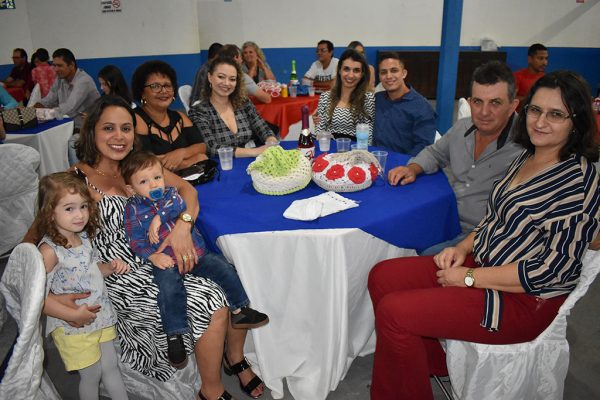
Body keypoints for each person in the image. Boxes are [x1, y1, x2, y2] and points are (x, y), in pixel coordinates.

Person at [368, 70, 600, 400]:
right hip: (486, 261)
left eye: (556, 114)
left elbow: (552, 272)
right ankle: (433, 364)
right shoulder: (530, 155)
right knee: (382, 276)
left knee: (395, 313)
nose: (540, 122)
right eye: (536, 110)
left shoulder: (576, 183)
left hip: (521, 300)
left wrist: (469, 278)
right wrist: (463, 248)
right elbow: (494, 218)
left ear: (576, 122)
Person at [26, 95, 265, 399]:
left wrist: (183, 225)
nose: (119, 136)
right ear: (91, 131)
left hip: (164, 252)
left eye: (126, 128)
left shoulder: (138, 166)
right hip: (120, 272)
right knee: (210, 299)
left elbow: (187, 190)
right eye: (108, 128)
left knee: (228, 271)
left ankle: (235, 358)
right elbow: (31, 244)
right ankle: (212, 390)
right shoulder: (74, 179)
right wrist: (48, 299)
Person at [121, 151, 269, 367]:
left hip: (195, 253)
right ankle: (175, 335)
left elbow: (178, 205)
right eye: (144, 182)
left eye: (157, 177)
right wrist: (152, 256)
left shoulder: (171, 195)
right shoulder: (132, 210)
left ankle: (240, 309)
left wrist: (158, 218)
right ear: (131, 189)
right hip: (166, 261)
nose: (153, 185)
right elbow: (135, 241)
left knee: (223, 267)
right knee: (169, 291)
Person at [388, 61, 523, 255]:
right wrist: (412, 168)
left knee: (413, 256)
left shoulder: (526, 147)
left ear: (512, 106)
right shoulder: (462, 127)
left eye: (495, 103)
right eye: (477, 102)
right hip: (445, 217)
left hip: (484, 237)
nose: (484, 112)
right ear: (469, 102)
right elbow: (435, 153)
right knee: (393, 234)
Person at [36, 172, 129, 400]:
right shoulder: (49, 251)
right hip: (73, 327)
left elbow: (90, 271)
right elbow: (37, 298)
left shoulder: (84, 237)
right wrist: (73, 315)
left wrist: (109, 267)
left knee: (111, 366)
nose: (80, 215)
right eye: (69, 208)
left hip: (100, 316)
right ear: (50, 212)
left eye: (83, 206)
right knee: (91, 375)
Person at [189, 56, 277, 158]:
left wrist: (271, 141)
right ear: (210, 77)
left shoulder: (243, 103)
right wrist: (254, 152)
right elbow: (211, 148)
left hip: (249, 162)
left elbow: (262, 127)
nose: (227, 83)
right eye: (221, 77)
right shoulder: (199, 111)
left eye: (232, 79)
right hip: (221, 165)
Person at [131, 60, 208, 172]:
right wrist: (190, 161)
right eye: (155, 86)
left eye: (167, 85)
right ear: (142, 93)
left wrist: (181, 153)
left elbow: (201, 147)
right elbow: (145, 162)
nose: (163, 91)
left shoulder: (180, 117)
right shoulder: (137, 119)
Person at [35, 48, 100, 165]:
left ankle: (76, 173)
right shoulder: (60, 79)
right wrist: (34, 108)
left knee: (71, 142)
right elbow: (49, 99)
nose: (56, 69)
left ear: (71, 65)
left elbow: (69, 108)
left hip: (87, 128)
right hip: (67, 127)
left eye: (60, 65)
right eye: (54, 65)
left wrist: (43, 114)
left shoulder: (83, 81)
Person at [373, 52, 436, 155]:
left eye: (394, 70)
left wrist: (403, 162)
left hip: (404, 162)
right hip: (374, 158)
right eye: (383, 72)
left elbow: (423, 146)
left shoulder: (422, 107)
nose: (388, 76)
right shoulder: (377, 99)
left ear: (404, 73)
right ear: (379, 76)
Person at [315, 48, 375, 142]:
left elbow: (369, 136)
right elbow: (319, 132)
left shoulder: (368, 99)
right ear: (339, 70)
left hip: (357, 149)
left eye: (356, 70)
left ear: (362, 74)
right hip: (330, 149)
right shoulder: (325, 97)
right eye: (346, 69)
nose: (350, 75)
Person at [514, 43, 548, 111]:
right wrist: (530, 98)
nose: (545, 63)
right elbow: (510, 99)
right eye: (540, 58)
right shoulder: (517, 76)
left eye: (546, 58)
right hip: (520, 115)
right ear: (530, 59)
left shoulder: (545, 78)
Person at [190, 42, 223, 106]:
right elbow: (208, 94)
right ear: (217, 56)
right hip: (199, 105)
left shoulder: (209, 67)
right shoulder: (206, 70)